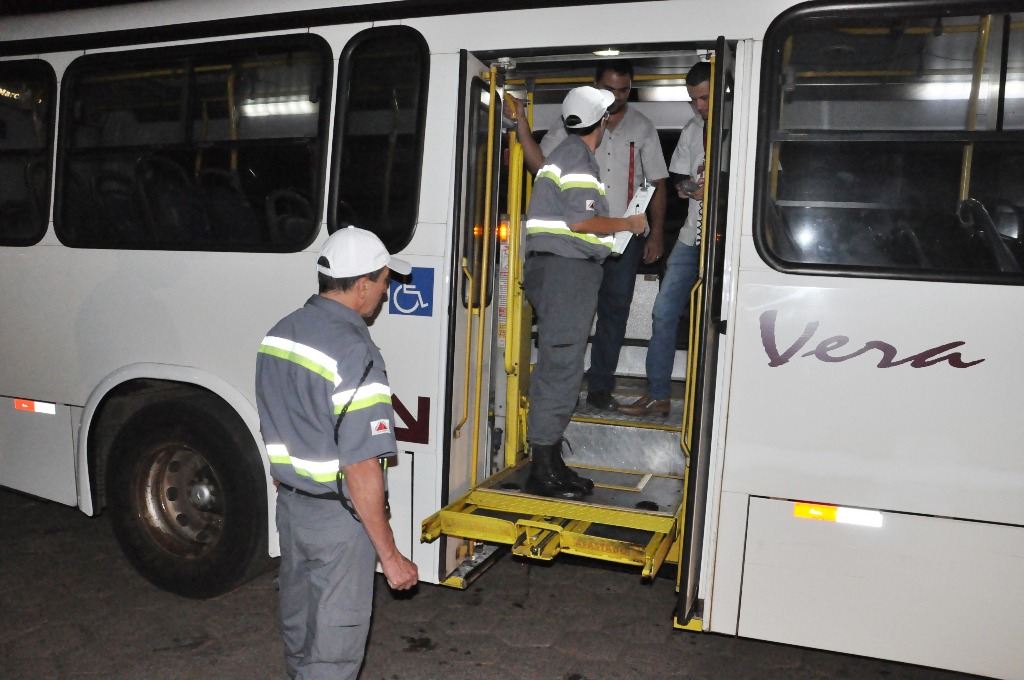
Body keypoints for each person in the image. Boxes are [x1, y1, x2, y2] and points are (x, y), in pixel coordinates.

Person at [255, 226, 419, 680]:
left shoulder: (279, 334)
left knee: (301, 631)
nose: (386, 292)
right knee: (333, 651)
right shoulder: (354, 352)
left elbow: (276, 420)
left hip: (291, 509)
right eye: (385, 280)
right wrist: (389, 556)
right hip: (336, 522)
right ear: (362, 284)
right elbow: (362, 465)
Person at [507, 60, 668, 412]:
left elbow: (658, 182)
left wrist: (655, 233)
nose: (616, 96)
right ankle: (562, 390)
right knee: (570, 318)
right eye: (608, 90)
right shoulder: (572, 125)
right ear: (595, 86)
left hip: (623, 239)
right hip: (576, 243)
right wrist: (521, 126)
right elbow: (541, 166)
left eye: (624, 90)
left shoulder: (642, 127)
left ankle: (598, 389)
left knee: (614, 313)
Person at [521, 86, 648, 500]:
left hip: (558, 271)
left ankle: (550, 458)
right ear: (604, 119)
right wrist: (628, 225)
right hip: (565, 272)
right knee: (561, 367)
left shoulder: (563, 155)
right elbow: (580, 222)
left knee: (560, 365)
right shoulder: (577, 157)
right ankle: (542, 467)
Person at [619, 61, 711, 417]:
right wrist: (693, 187)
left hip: (727, 241)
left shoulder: (745, 126)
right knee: (663, 311)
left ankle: (716, 400)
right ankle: (659, 395)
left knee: (717, 320)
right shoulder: (691, 129)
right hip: (691, 237)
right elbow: (678, 186)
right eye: (693, 100)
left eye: (705, 98)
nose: (700, 106)